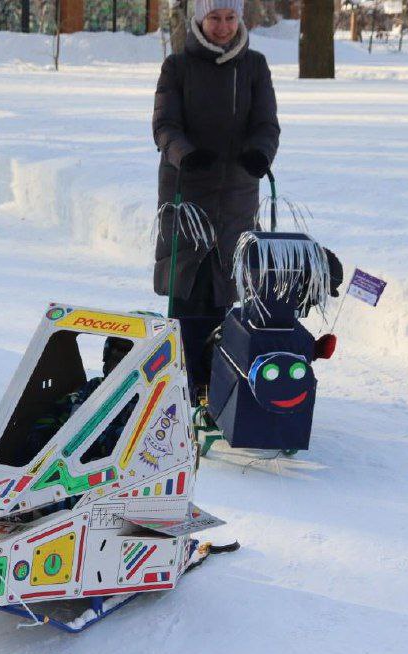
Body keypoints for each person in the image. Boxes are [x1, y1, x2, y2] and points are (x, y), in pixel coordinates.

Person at [151, 0, 279, 403]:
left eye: (230, 18)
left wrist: (260, 152)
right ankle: (183, 380)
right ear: (199, 21)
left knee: (231, 284)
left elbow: (266, 123)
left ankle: (221, 385)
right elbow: (164, 124)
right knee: (189, 284)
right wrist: (184, 153)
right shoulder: (178, 66)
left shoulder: (254, 66)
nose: (223, 27)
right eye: (214, 18)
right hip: (188, 188)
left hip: (239, 190)